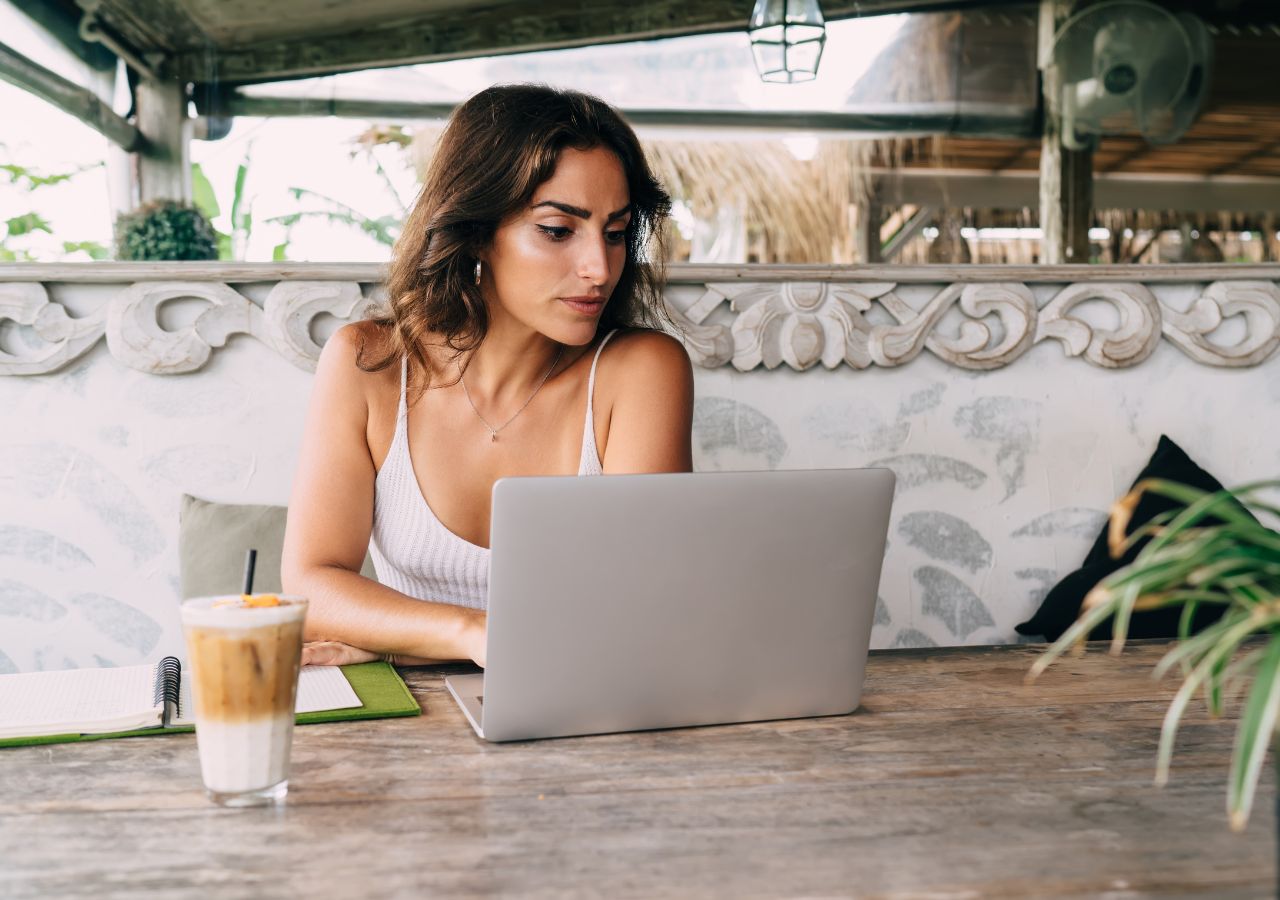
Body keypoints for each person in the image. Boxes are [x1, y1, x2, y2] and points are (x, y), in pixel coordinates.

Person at [281, 85, 694, 668]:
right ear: (477, 230)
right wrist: (471, 635)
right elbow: (311, 585)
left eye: (615, 232)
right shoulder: (367, 364)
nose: (598, 269)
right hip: (409, 727)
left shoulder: (641, 371)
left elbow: (639, 608)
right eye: (557, 230)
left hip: (585, 708)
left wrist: (401, 643)